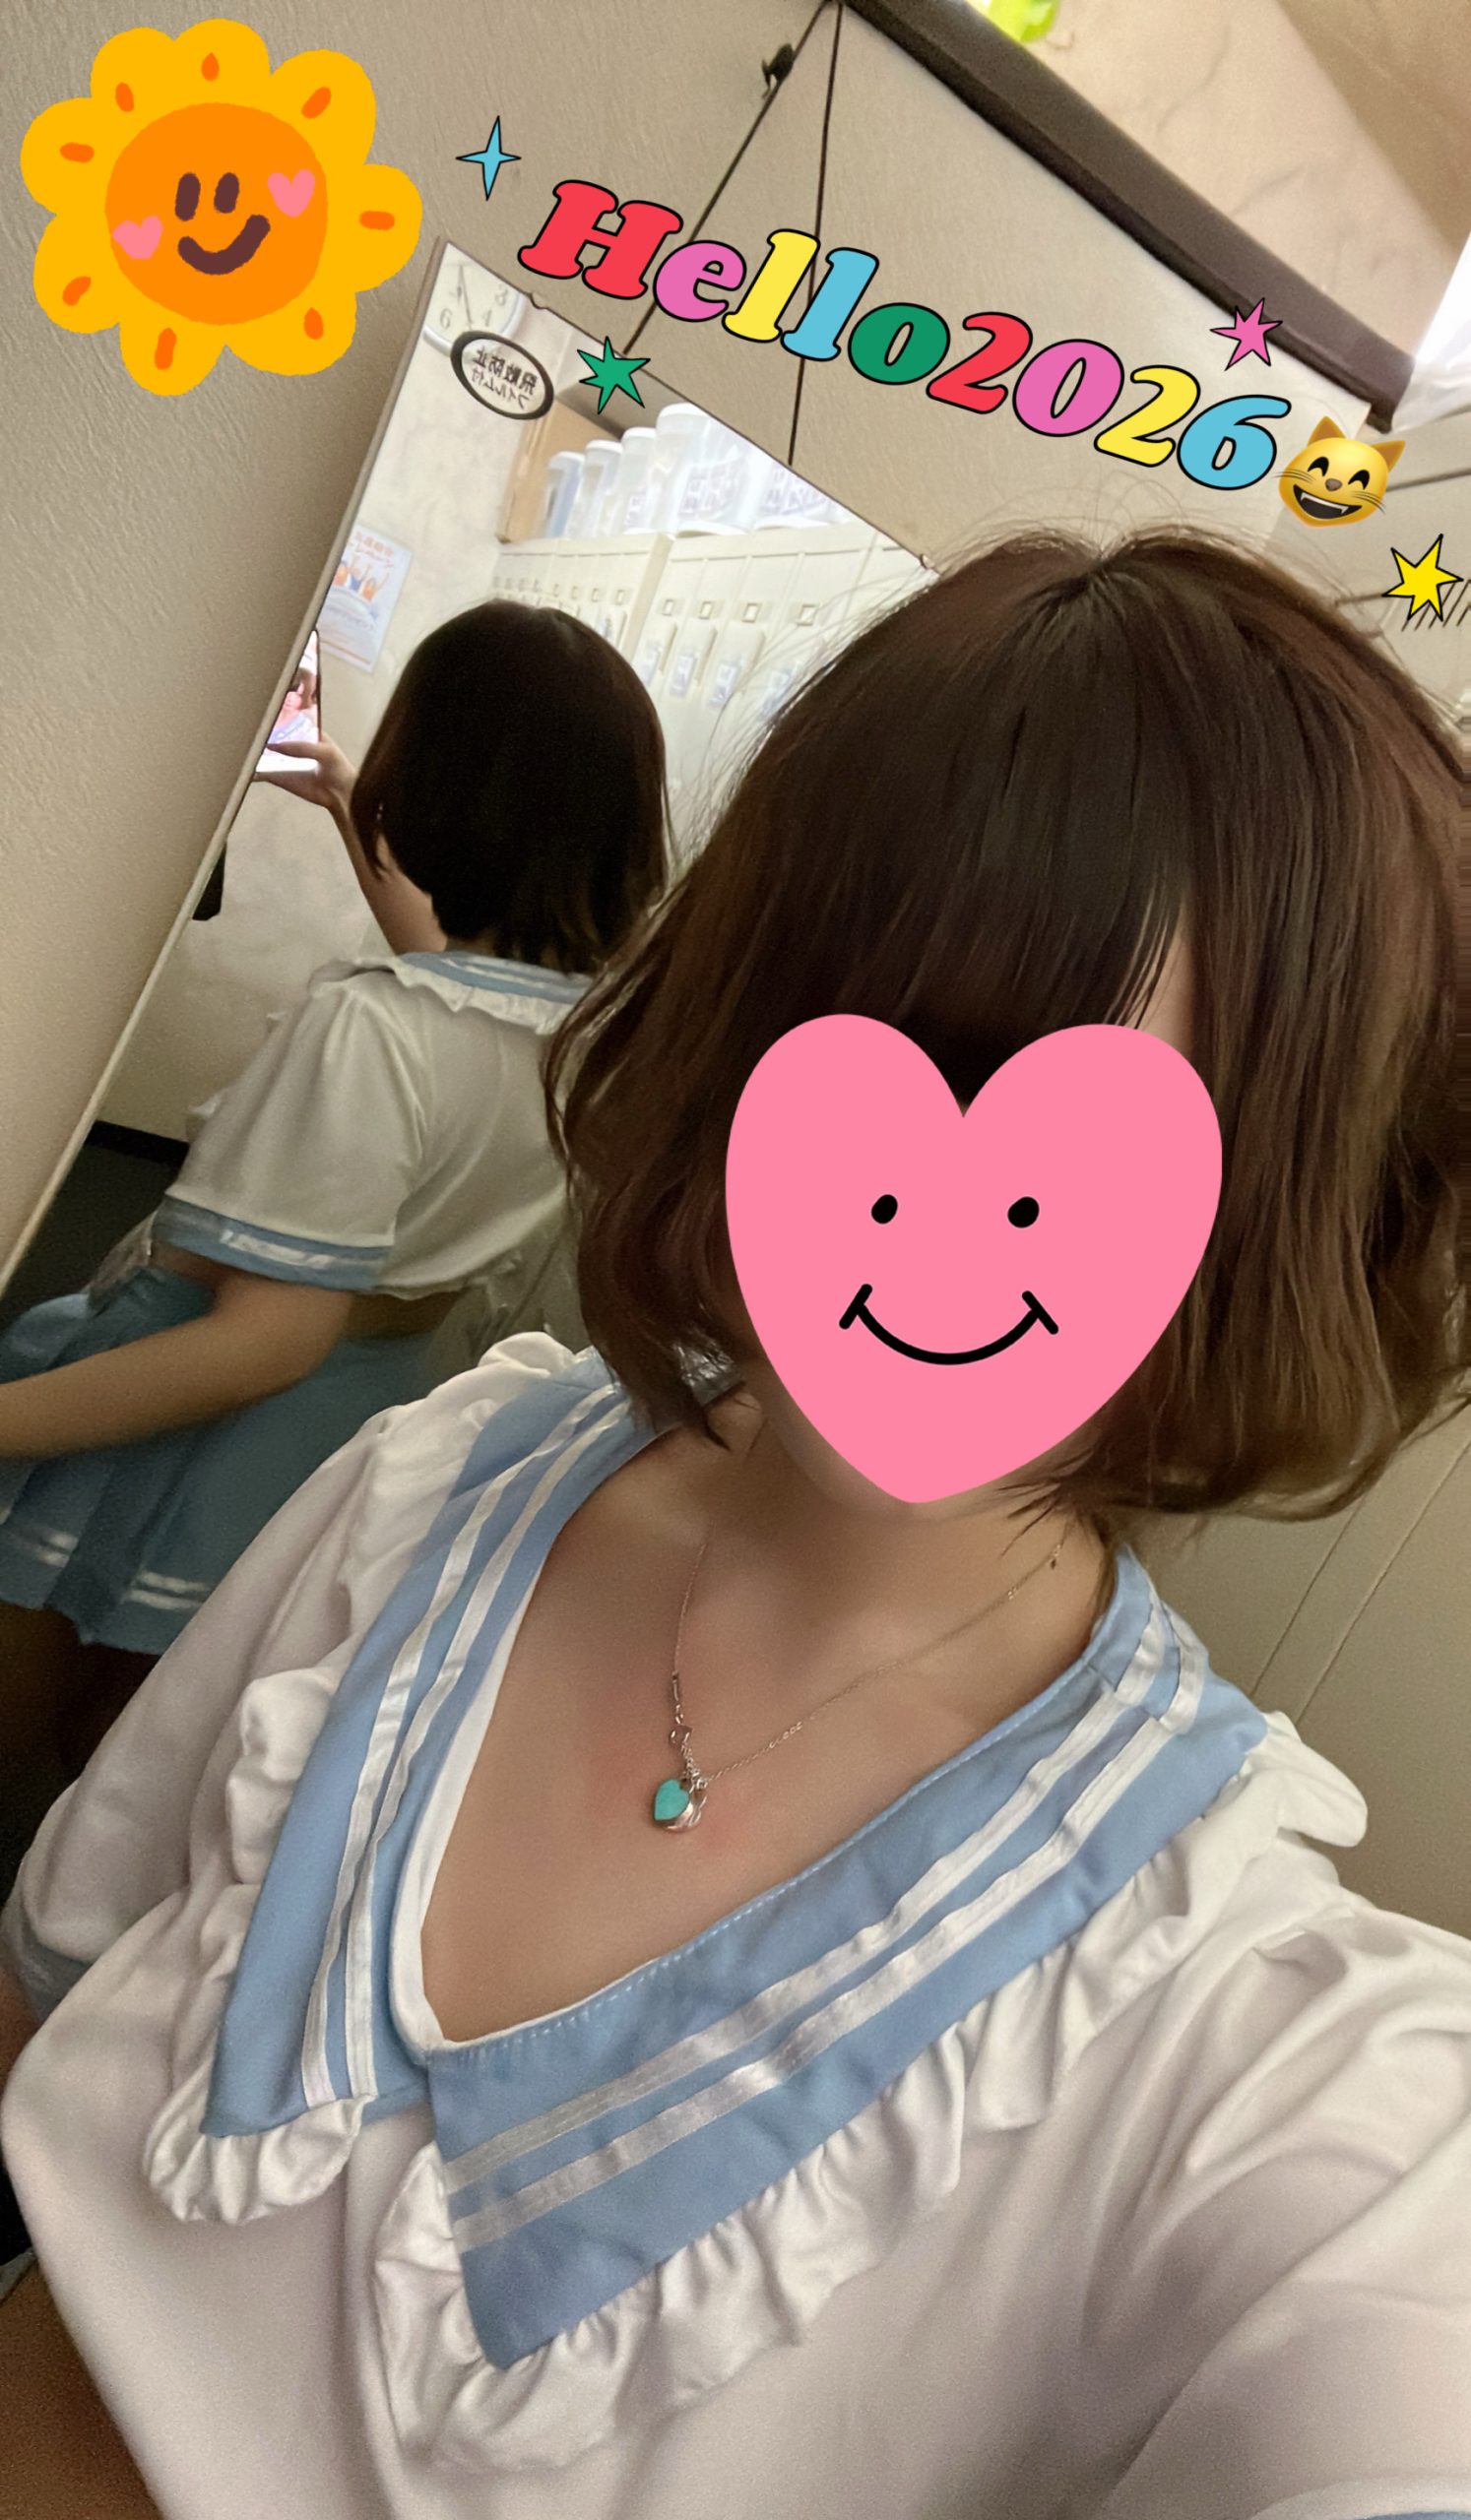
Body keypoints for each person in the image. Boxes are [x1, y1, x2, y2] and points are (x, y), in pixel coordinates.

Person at [1, 530, 1467, 2520]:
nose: (937, 1232)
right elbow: (52, 1996)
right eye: (877, 1068)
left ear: (1301, 1219)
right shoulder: (430, 1485)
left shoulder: (1244, 2026)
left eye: (1085, 1158)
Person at [0, 600, 668, 1807]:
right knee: (147, 1740)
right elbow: (450, 977)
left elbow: (264, 1341)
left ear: (436, 784)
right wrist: (350, 806)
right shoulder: (582, 1040)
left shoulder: (366, 1030)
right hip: (328, 1437)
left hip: (172, 1426)